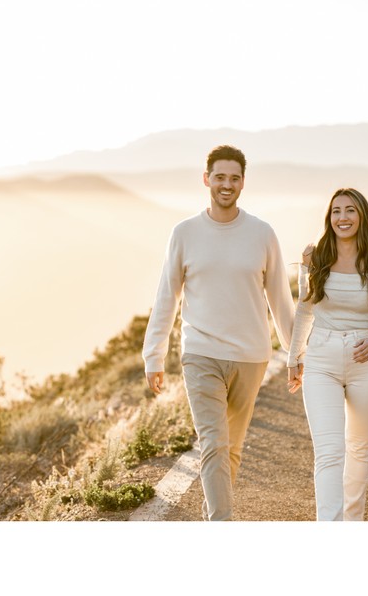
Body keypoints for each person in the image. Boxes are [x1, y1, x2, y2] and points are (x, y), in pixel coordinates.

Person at [142, 145, 294, 521]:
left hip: (250, 356)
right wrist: (153, 355)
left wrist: (295, 353)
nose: (227, 185)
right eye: (220, 177)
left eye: (235, 178)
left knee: (232, 449)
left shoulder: (261, 233)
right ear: (206, 179)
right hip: (200, 353)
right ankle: (221, 525)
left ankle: (217, 513)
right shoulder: (185, 233)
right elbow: (167, 297)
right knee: (213, 444)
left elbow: (280, 299)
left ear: (243, 182)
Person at [287, 188, 368, 521]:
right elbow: (304, 309)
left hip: (366, 361)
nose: (342, 217)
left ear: (362, 216)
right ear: (329, 218)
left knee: (359, 450)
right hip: (321, 359)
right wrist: (293, 357)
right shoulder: (316, 257)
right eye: (336, 211)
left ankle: (351, 526)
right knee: (329, 452)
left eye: (350, 211)